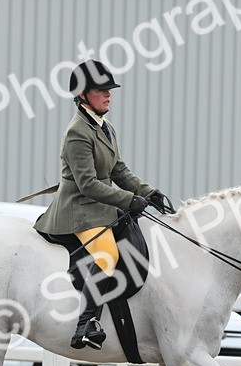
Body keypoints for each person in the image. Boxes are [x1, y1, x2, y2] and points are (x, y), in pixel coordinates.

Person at [32, 60, 171, 350]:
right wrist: (129, 200)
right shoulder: (77, 132)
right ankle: (86, 324)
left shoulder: (105, 127)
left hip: (102, 207)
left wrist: (149, 192)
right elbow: (88, 185)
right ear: (83, 95)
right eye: (101, 91)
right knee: (107, 254)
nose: (109, 95)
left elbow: (119, 170)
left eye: (110, 90)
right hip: (79, 210)